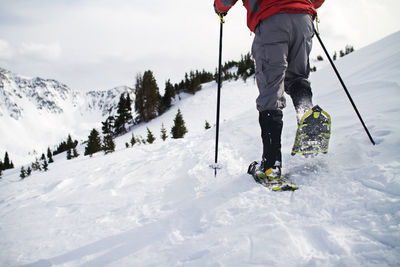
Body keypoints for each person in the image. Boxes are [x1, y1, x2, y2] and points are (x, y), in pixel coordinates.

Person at [214, 0, 325, 179]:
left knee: (270, 90)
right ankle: (308, 118)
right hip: (303, 19)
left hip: (272, 21)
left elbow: (224, 2)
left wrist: (219, 8)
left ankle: (271, 165)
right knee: (298, 78)